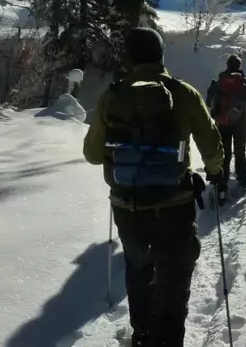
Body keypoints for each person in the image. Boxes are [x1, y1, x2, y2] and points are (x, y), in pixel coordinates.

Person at [83, 27, 224, 347]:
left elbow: (92, 155)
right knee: (174, 276)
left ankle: (142, 334)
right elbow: (210, 143)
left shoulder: (112, 95)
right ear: (161, 54)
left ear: (130, 58)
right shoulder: (184, 93)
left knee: (139, 268)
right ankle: (169, 339)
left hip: (127, 205)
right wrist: (215, 172)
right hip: (174, 203)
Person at [206, 54, 246, 205]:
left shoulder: (219, 82)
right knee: (240, 152)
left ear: (227, 65)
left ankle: (221, 186)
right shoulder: (244, 83)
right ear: (239, 66)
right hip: (240, 124)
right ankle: (242, 182)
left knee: (224, 154)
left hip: (222, 124)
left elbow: (208, 101)